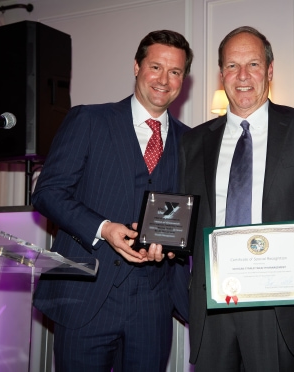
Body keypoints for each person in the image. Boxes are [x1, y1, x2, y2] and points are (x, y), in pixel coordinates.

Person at [179, 26, 294, 371]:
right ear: (221, 75)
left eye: (253, 64)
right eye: (232, 66)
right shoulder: (194, 142)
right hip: (213, 307)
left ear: (270, 70)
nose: (243, 76)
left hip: (283, 308)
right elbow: (183, 219)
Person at [32, 29, 193, 371]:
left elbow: (191, 215)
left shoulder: (192, 141)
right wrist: (103, 228)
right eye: (156, 67)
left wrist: (170, 246)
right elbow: (48, 192)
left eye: (175, 71)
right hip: (87, 294)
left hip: (153, 302)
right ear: (136, 66)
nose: (164, 79)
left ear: (184, 78)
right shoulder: (89, 120)